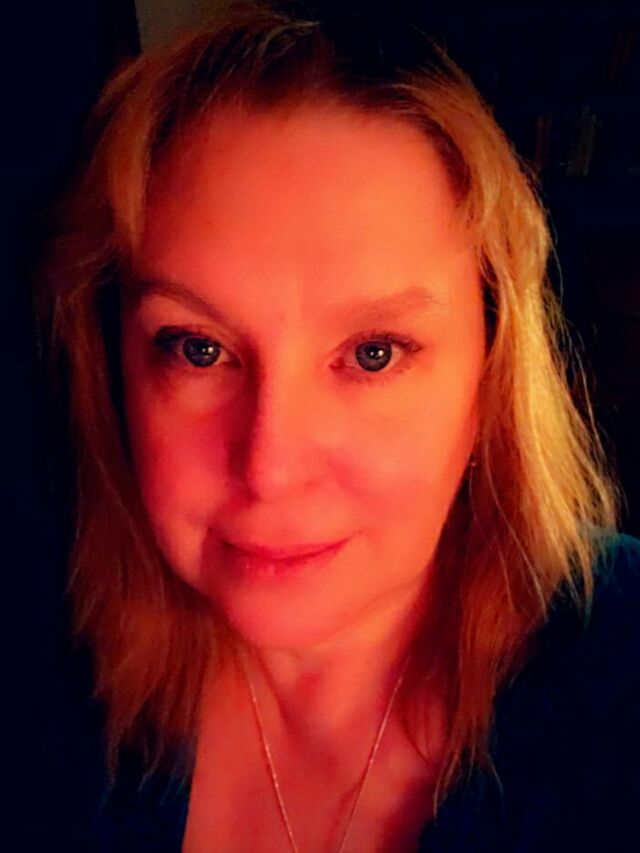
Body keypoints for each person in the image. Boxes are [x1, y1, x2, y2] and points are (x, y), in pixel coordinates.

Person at [34, 1, 640, 851]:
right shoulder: (47, 673)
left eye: (374, 354)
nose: (270, 465)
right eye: (198, 348)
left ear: (491, 374)